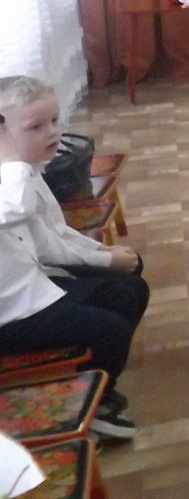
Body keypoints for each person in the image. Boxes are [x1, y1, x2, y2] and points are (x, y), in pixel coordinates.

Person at [0, 76, 147, 441]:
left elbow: (51, 236)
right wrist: (11, 157)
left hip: (32, 287)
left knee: (129, 289)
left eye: (54, 120)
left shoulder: (26, 171)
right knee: (110, 330)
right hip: (10, 313)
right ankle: (88, 409)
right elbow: (15, 209)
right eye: (35, 126)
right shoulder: (15, 175)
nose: (52, 132)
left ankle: (97, 383)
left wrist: (103, 255)